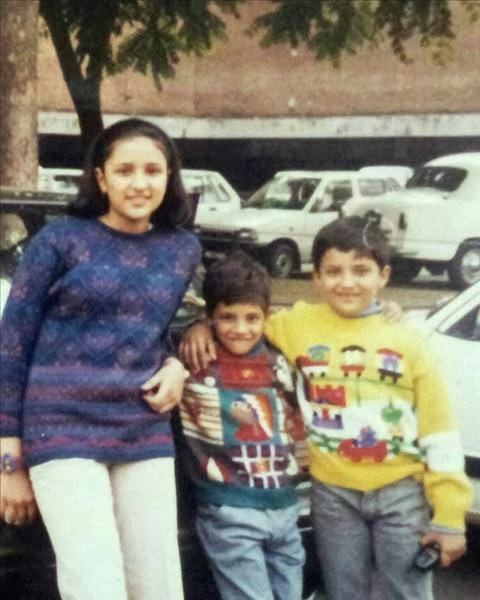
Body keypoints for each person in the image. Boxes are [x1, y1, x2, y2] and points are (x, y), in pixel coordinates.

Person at [179, 216, 473, 600]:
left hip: (402, 492)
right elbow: (240, 316)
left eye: (361, 271)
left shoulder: (409, 341)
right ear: (316, 276)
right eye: (334, 271)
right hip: (333, 493)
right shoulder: (297, 324)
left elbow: (439, 431)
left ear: (383, 275)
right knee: (342, 591)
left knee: (405, 591)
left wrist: (450, 517)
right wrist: (199, 325)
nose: (347, 282)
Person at [0, 118, 202, 600]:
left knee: (158, 585)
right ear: (100, 177)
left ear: (169, 176)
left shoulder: (182, 250)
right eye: (125, 170)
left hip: (142, 427)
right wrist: (9, 464)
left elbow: (161, 325)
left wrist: (178, 366)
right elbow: (12, 345)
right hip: (60, 428)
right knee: (96, 585)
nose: (139, 183)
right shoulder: (59, 241)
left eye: (153, 170)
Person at [179, 250, 307, 600]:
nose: (240, 328)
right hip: (229, 508)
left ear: (266, 316)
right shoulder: (195, 361)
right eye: (227, 318)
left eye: (252, 318)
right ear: (211, 317)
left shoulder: (278, 359)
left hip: (283, 506)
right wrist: (195, 327)